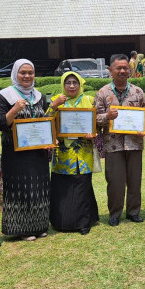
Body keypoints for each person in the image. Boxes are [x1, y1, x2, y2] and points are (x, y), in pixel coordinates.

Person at [0, 59, 51, 241]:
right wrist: (15, 109)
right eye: (23, 72)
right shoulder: (6, 95)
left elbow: (43, 120)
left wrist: (49, 138)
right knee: (21, 188)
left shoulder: (39, 96)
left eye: (30, 73)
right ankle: (22, 228)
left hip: (37, 152)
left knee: (39, 187)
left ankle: (39, 225)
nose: (27, 76)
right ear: (15, 74)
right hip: (15, 153)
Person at [95, 54, 145, 226]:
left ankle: (133, 212)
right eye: (119, 68)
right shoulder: (103, 93)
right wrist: (107, 116)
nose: (123, 71)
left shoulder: (138, 92)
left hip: (134, 144)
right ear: (111, 70)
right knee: (115, 181)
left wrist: (143, 129)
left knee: (135, 180)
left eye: (126, 68)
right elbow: (94, 119)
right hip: (113, 144)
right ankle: (115, 213)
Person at [46, 72, 99, 234]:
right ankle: (60, 221)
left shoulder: (89, 100)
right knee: (62, 187)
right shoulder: (56, 100)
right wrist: (54, 106)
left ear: (80, 84)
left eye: (75, 83)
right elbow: (45, 121)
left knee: (82, 185)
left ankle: (84, 223)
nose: (71, 86)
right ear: (63, 84)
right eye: (68, 82)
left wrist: (93, 134)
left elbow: (96, 124)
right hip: (62, 153)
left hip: (83, 151)